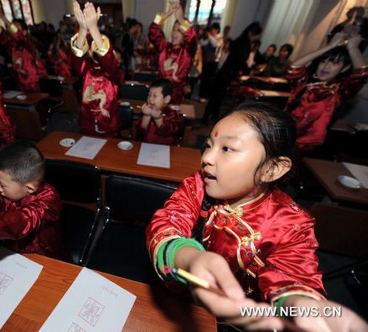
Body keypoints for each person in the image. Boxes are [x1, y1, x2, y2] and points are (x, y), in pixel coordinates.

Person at [146, 102, 368, 331]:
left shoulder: (291, 224)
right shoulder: (198, 185)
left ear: (272, 169)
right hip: (181, 304)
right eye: (209, 145)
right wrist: (188, 257)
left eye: (227, 149)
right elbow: (168, 221)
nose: (208, 158)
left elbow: (293, 276)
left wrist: (300, 305)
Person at [285, 32, 367, 155]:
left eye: (335, 63)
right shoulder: (304, 83)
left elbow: (362, 74)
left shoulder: (339, 91)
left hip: (306, 146)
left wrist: (353, 48)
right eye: (324, 61)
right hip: (282, 136)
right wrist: (329, 46)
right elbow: (294, 67)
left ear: (344, 68)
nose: (326, 67)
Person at [71, 1, 124, 137]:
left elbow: (109, 64)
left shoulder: (115, 74)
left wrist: (94, 29)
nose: (96, 52)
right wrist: (83, 29)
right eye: (92, 47)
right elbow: (77, 59)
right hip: (87, 126)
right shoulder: (86, 71)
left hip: (108, 128)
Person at [202, 22, 262, 123]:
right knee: (217, 97)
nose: (257, 38)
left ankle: (212, 116)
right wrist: (247, 71)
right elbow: (240, 61)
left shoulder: (240, 40)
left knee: (217, 97)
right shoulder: (244, 44)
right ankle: (208, 117)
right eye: (256, 35)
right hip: (227, 73)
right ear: (252, 33)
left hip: (225, 72)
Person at [149, 2, 197, 104]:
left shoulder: (187, 51)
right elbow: (153, 31)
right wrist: (167, 14)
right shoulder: (164, 46)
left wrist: (180, 18)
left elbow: (192, 37)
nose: (175, 33)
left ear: (184, 35)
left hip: (175, 99)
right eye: (173, 30)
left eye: (179, 31)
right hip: (158, 97)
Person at [0, 2, 43, 92]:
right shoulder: (11, 45)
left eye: (15, 27)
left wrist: (1, 15)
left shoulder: (27, 43)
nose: (11, 29)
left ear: (24, 32)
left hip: (31, 80)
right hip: (19, 80)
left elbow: (18, 35)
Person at [136, 79, 180, 145]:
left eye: (155, 96)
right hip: (145, 146)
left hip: (164, 149)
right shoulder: (146, 111)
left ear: (166, 99)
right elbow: (140, 131)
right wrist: (146, 116)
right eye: (149, 95)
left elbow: (168, 132)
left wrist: (158, 119)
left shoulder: (171, 114)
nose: (150, 99)